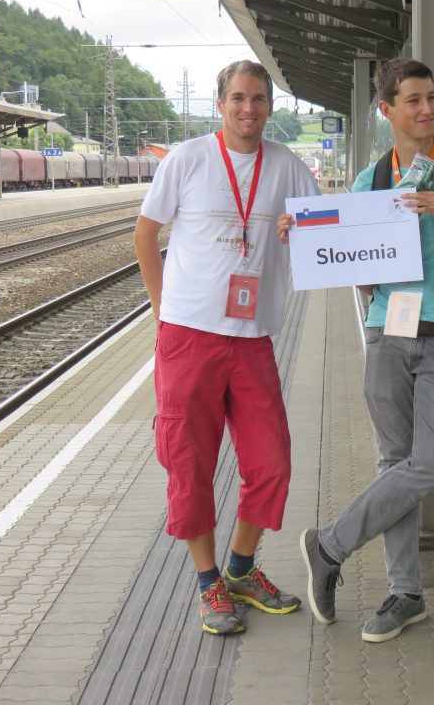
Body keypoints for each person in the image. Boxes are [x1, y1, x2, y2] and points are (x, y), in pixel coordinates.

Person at [280, 58, 434, 643]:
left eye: (431, 99)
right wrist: (311, 234)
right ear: (387, 110)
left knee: (427, 465)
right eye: (414, 101)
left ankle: (329, 545)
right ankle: (406, 595)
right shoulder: (371, 180)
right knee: (394, 461)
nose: (427, 110)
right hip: (386, 334)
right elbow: (360, 271)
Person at [134, 60, 317, 635]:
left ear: (270, 106)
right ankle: (207, 581)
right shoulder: (188, 159)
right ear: (220, 103)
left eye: (259, 99)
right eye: (238, 97)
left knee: (273, 462)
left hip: (253, 336)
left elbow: (320, 230)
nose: (248, 109)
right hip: (189, 335)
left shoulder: (287, 166)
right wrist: (163, 312)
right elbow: (146, 233)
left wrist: (301, 232)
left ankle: (240, 567)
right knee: (189, 462)